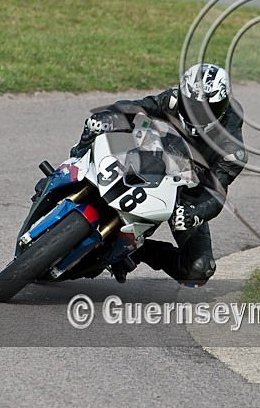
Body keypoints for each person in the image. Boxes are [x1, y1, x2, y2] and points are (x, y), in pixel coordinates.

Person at [69, 64, 247, 287]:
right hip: (153, 156)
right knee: (98, 127)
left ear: (222, 107)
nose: (196, 114)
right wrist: (108, 117)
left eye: (205, 110)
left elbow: (217, 194)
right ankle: (69, 170)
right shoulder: (173, 100)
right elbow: (138, 107)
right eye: (191, 105)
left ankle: (136, 251)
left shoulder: (232, 150)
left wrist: (195, 214)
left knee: (199, 269)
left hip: (188, 192)